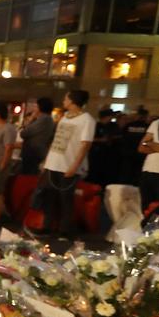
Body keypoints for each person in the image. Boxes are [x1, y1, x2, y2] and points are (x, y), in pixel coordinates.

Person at [35, 90, 95, 238]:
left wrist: (75, 166)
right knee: (49, 197)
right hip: (53, 163)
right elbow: (56, 140)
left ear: (73, 101)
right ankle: (47, 226)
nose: (63, 102)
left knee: (66, 199)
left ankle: (65, 230)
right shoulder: (64, 118)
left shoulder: (87, 120)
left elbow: (85, 145)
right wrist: (47, 161)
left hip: (68, 165)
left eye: (66, 99)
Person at [15, 98, 55, 175]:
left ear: (40, 107)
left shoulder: (44, 119)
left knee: (28, 178)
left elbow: (24, 133)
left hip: (34, 154)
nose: (34, 109)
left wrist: (31, 118)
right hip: (35, 154)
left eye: (36, 106)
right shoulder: (46, 119)